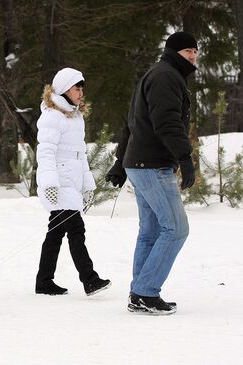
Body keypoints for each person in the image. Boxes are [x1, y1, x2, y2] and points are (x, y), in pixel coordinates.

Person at [106, 31, 198, 315]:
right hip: (153, 164)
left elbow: (131, 123)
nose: (193, 56)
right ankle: (146, 292)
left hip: (140, 163)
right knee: (176, 229)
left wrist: (121, 163)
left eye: (195, 51)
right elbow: (166, 122)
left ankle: (140, 293)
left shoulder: (156, 74)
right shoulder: (166, 77)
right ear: (173, 52)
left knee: (152, 231)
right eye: (187, 52)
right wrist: (185, 157)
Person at [34, 67, 111, 296]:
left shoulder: (75, 116)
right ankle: (89, 279)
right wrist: (49, 184)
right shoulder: (52, 115)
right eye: (77, 87)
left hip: (72, 182)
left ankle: (44, 281)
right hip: (60, 184)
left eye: (81, 88)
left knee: (56, 232)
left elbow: (81, 154)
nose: (81, 92)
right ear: (65, 88)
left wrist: (87, 186)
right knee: (76, 229)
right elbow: (45, 152)